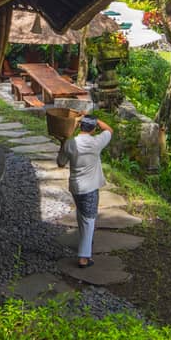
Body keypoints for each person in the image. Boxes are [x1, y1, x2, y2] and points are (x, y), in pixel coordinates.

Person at [57, 113, 112, 267]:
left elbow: (60, 163)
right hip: (90, 187)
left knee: (82, 214)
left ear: (80, 126)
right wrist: (97, 120)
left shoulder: (70, 143)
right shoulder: (96, 142)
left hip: (75, 187)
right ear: (93, 128)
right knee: (89, 220)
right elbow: (109, 130)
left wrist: (72, 125)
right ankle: (83, 257)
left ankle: (85, 241)